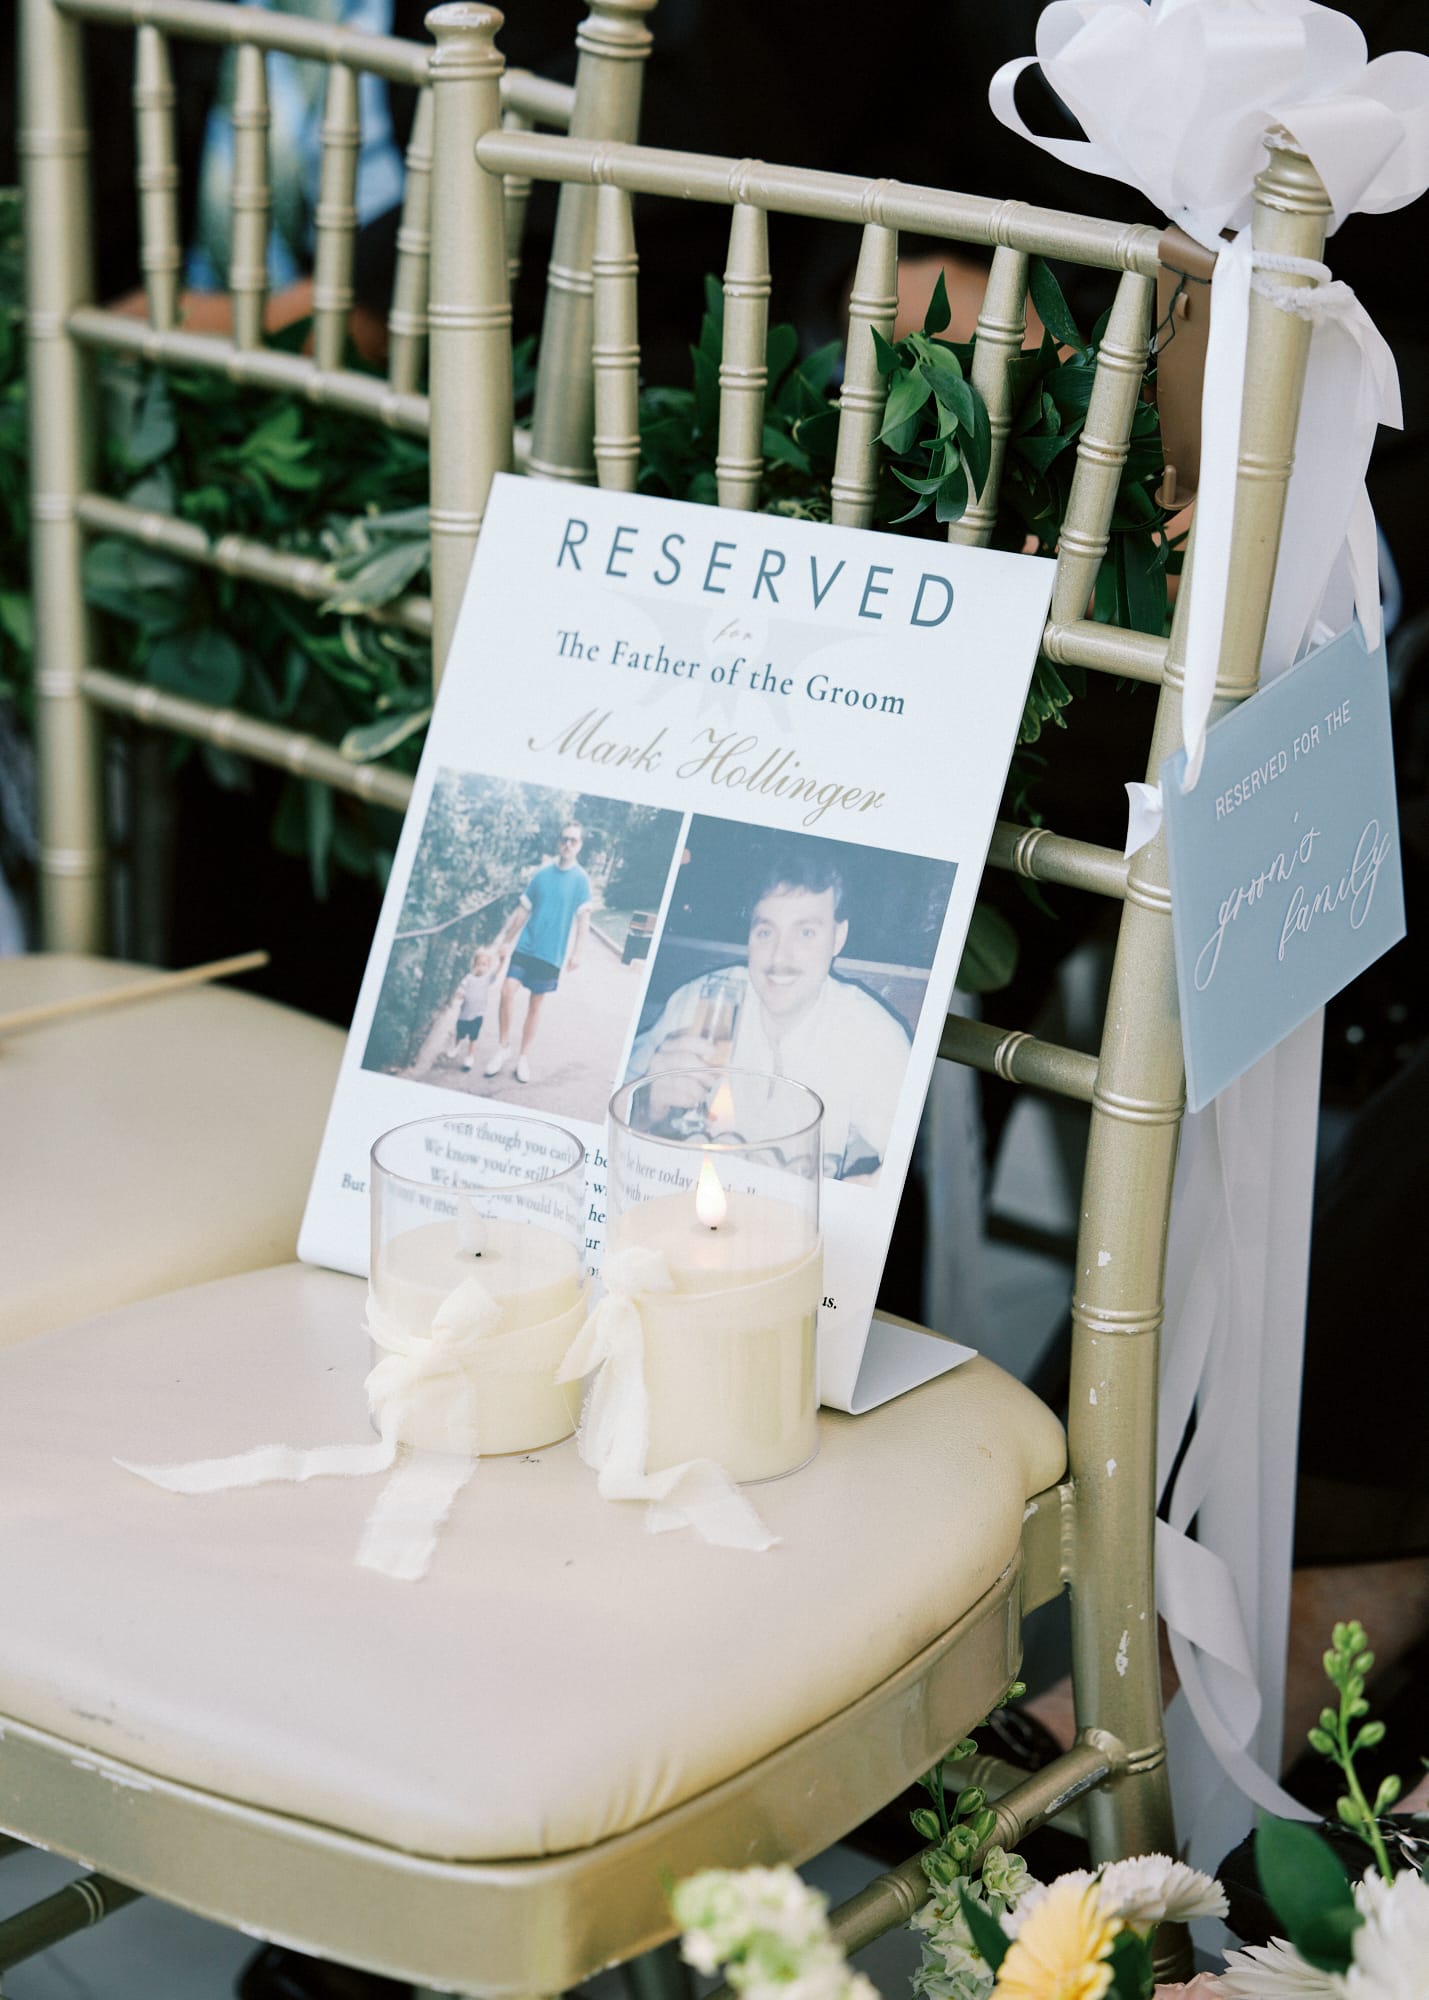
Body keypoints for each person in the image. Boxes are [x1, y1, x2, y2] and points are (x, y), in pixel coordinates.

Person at [628, 851, 912, 1182]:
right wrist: (648, 1105)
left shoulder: (871, 1034)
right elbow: (614, 1119)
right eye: (766, 932)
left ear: (838, 937)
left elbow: (918, 1158)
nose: (779, 957)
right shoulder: (700, 1001)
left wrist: (867, 1193)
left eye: (805, 933)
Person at [483, 823, 592, 1084]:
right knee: (506, 992)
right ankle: (503, 1047)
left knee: (535, 1004)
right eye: (564, 839)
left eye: (573, 840)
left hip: (550, 954)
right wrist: (506, 941)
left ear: (580, 845)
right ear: (558, 842)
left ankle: (523, 1057)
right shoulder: (542, 875)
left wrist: (577, 952)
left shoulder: (581, 880)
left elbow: (583, 920)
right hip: (526, 946)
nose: (567, 844)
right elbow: (523, 910)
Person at [447, 943, 503, 1071]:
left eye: (484, 965)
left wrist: (502, 961)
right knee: (460, 1033)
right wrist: (460, 994)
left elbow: (496, 973)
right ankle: (456, 1046)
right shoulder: (469, 978)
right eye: (479, 964)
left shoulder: (487, 979)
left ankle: (470, 1057)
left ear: (488, 966)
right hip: (464, 1014)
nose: (481, 967)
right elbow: (461, 988)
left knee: (473, 1037)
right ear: (474, 965)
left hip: (478, 1014)